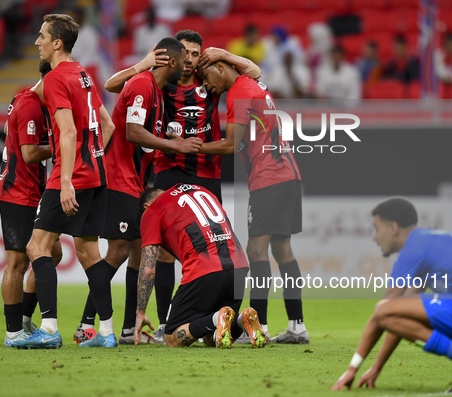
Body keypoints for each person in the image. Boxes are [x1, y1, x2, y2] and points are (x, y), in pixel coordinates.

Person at [104, 30, 262, 343]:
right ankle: (167, 323)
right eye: (186, 53)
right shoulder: (163, 80)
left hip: (206, 173)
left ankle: (218, 321)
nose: (190, 60)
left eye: (196, 54)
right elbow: (112, 85)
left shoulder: (209, 82)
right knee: (163, 253)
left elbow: (254, 73)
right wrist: (143, 63)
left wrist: (225, 55)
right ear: (174, 55)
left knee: (214, 241)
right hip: (168, 169)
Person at [73, 37, 201, 345]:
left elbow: (139, 132)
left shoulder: (154, 90)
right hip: (119, 180)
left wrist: (165, 134)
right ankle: (86, 325)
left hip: (133, 181)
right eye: (183, 59)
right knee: (118, 252)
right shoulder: (143, 84)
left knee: (137, 251)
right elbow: (131, 131)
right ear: (170, 62)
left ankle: (130, 327)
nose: (187, 65)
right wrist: (176, 144)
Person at [332, 198, 452, 393]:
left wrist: (352, 368)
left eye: (377, 228)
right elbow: (396, 316)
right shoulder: (429, 241)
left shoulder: (413, 248)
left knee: (383, 309)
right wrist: (376, 368)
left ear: (393, 227)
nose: (374, 237)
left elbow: (383, 312)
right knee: (396, 312)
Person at [12, 14, 116, 349]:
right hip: (96, 174)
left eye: (42, 36)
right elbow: (109, 126)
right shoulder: (83, 74)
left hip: (70, 176)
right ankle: (106, 333)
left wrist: (68, 180)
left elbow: (68, 131)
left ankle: (50, 329)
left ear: (58, 42)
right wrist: (91, 162)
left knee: (36, 246)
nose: (37, 41)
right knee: (88, 252)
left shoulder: (57, 78)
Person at [197, 60, 309, 344]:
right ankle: (297, 327)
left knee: (256, 249)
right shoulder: (253, 83)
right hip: (288, 174)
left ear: (221, 68)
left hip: (269, 178)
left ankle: (260, 327)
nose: (205, 84)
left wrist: (190, 145)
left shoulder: (238, 91)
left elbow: (230, 145)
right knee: (283, 250)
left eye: (205, 76)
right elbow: (254, 69)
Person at [134, 184, 266, 349]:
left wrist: (140, 312)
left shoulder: (152, 209)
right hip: (239, 265)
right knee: (212, 339)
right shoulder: (203, 190)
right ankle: (241, 320)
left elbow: (148, 269)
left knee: (172, 338)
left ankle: (218, 316)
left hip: (204, 267)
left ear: (146, 206)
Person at [0, 61, 62, 347]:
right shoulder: (30, 106)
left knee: (52, 253)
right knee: (17, 262)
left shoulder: (30, 101)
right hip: (18, 193)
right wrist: (63, 145)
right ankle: (14, 333)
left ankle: (24, 318)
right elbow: (29, 153)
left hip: (34, 192)